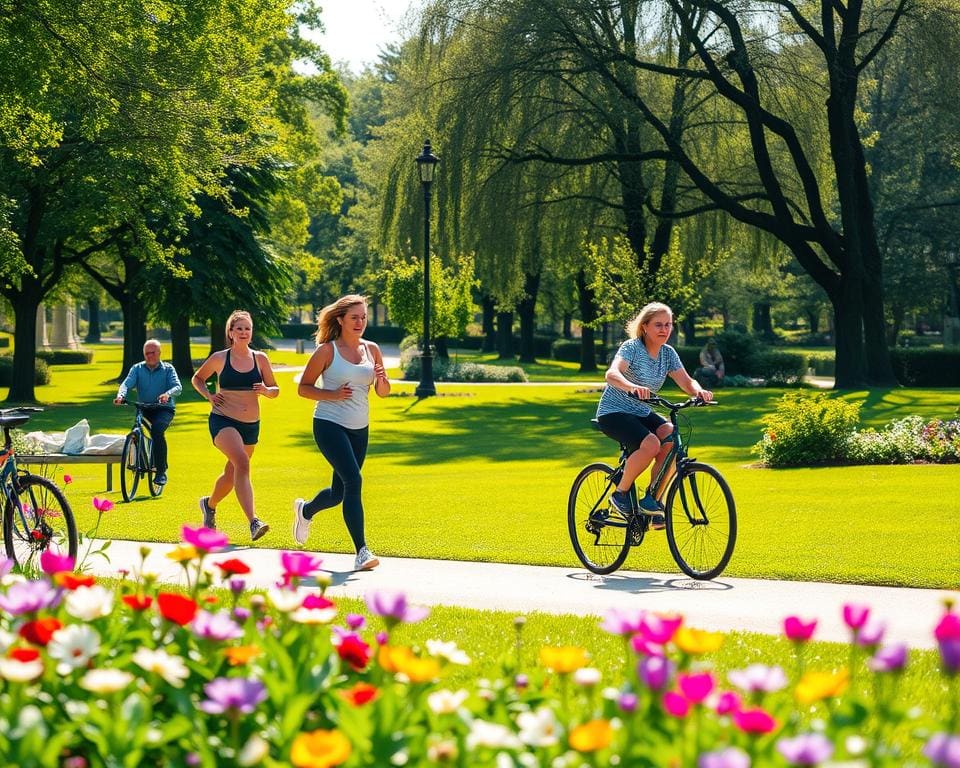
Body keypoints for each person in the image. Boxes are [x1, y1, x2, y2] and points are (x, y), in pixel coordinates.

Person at [292, 294, 391, 571]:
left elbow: (382, 392)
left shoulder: (372, 350)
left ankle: (306, 510)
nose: (360, 322)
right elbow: (304, 388)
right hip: (328, 423)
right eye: (354, 317)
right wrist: (333, 395)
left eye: (363, 317)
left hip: (360, 428)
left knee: (339, 493)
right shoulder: (327, 351)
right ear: (340, 320)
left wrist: (383, 381)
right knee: (354, 480)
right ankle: (362, 551)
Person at [595, 302, 712, 529]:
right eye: (658, 324)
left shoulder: (668, 354)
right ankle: (620, 494)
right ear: (645, 326)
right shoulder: (632, 348)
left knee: (670, 437)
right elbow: (612, 374)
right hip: (614, 412)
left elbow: (686, 381)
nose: (664, 329)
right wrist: (630, 386)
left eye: (668, 325)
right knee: (650, 444)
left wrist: (699, 391)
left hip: (640, 411)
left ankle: (652, 500)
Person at [190, 310, 279, 541]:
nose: (243, 332)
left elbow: (275, 389)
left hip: (251, 425)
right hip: (223, 420)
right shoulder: (220, 358)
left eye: (247, 328)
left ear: (251, 333)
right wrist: (209, 395)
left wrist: (266, 391)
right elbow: (197, 378)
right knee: (242, 462)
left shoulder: (261, 359)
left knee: (232, 473)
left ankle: (209, 505)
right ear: (230, 332)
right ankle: (253, 521)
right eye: (238, 328)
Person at [113, 339, 182, 485]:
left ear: (159, 353)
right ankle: (139, 453)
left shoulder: (168, 369)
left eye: (152, 352)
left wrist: (167, 394)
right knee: (137, 428)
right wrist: (121, 396)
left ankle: (161, 471)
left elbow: (177, 387)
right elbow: (126, 383)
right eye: (146, 353)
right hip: (144, 407)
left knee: (157, 431)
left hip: (164, 409)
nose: (149, 356)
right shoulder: (137, 368)